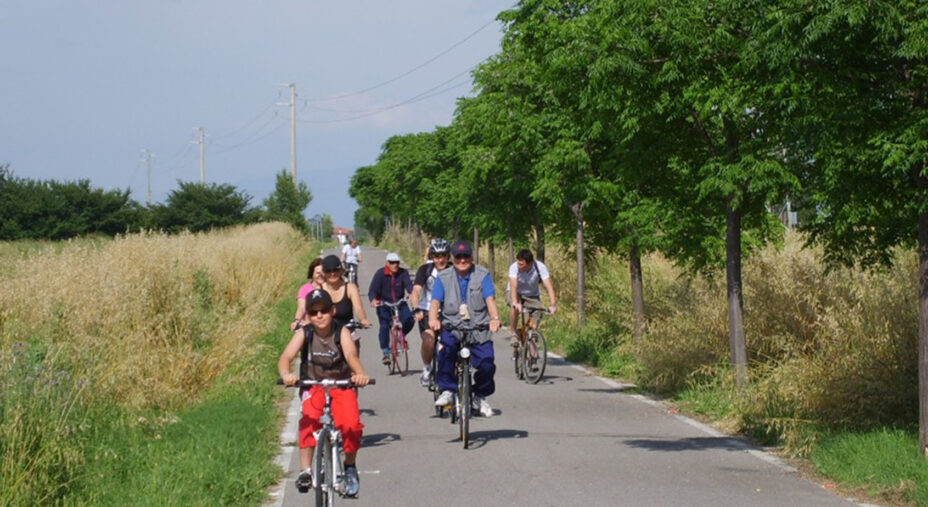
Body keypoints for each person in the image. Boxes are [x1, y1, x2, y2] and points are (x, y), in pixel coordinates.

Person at [278, 289, 371, 497]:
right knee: (309, 420)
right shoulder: (305, 333)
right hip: (313, 384)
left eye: (324, 311)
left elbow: (350, 355)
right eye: (313, 312)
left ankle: (349, 467)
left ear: (333, 310)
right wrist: (286, 374)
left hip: (341, 384)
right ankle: (305, 471)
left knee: (351, 425)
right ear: (308, 316)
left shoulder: (341, 332)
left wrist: (360, 374)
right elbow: (286, 357)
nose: (319, 316)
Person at [429, 240, 501, 418]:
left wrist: (494, 319)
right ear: (452, 258)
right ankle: (447, 390)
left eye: (466, 256)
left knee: (487, 363)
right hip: (453, 327)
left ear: (472, 257)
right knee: (446, 352)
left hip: (478, 328)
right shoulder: (443, 277)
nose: (462, 260)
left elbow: (490, 299)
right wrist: (433, 319)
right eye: (458, 257)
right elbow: (436, 302)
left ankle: (479, 395)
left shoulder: (482, 275)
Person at [410, 238, 451, 386]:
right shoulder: (425, 270)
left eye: (443, 256)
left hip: (449, 313)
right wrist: (416, 308)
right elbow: (416, 291)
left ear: (448, 256)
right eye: (437, 257)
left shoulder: (453, 270)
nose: (440, 260)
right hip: (427, 311)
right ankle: (427, 368)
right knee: (429, 341)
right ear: (432, 257)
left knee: (451, 344)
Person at [368, 252, 415, 365]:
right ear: (387, 263)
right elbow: (373, 290)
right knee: (384, 326)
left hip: (399, 303)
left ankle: (401, 336)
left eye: (397, 262)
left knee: (410, 319)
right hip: (384, 304)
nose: (395, 265)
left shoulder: (403, 273)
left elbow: (409, 286)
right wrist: (373, 300)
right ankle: (385, 353)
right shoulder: (380, 274)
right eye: (392, 262)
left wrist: (412, 293)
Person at [507, 249, 557, 352]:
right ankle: (513, 333)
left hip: (532, 296)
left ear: (530, 263)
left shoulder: (539, 267)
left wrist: (553, 304)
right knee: (514, 306)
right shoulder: (514, 267)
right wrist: (516, 302)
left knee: (532, 327)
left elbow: (549, 286)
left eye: (521, 264)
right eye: (518, 263)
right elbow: (513, 286)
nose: (518, 266)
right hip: (516, 292)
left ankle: (532, 355)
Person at [320, 254, 372, 334]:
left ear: (341, 270)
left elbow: (358, 308)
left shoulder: (350, 288)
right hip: (326, 333)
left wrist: (363, 319)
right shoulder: (319, 290)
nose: (332, 274)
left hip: (348, 331)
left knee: (353, 343)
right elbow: (311, 311)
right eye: (328, 271)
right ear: (323, 273)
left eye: (335, 270)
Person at [291, 257, 325, 331]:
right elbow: (301, 308)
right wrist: (297, 320)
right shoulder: (305, 289)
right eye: (318, 273)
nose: (321, 275)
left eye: (323, 272)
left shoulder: (329, 288)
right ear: (312, 274)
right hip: (308, 324)